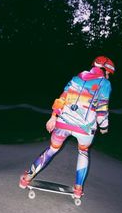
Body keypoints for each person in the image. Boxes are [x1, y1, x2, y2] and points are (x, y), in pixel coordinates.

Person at [19, 55, 115, 198]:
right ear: (105, 70)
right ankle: (78, 189)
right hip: (85, 128)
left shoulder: (75, 79)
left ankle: (26, 179)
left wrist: (53, 117)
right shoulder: (105, 84)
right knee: (83, 151)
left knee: (52, 149)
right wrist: (104, 127)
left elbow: (61, 99)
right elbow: (102, 109)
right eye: (108, 73)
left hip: (63, 123)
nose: (108, 76)